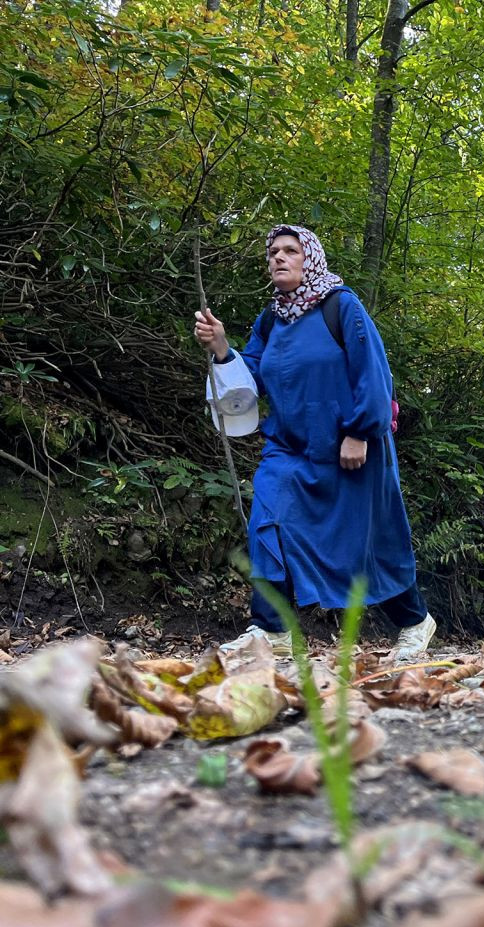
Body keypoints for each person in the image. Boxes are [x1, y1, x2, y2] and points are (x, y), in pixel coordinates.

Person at [193, 225, 435, 661]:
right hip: (288, 450)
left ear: (311, 259)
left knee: (366, 544)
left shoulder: (341, 307)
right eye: (272, 252)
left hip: (351, 452)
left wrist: (361, 432)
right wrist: (223, 348)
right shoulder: (271, 320)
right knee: (268, 521)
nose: (279, 258)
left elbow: (374, 373)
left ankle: (415, 621)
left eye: (290, 250)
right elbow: (250, 382)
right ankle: (272, 631)